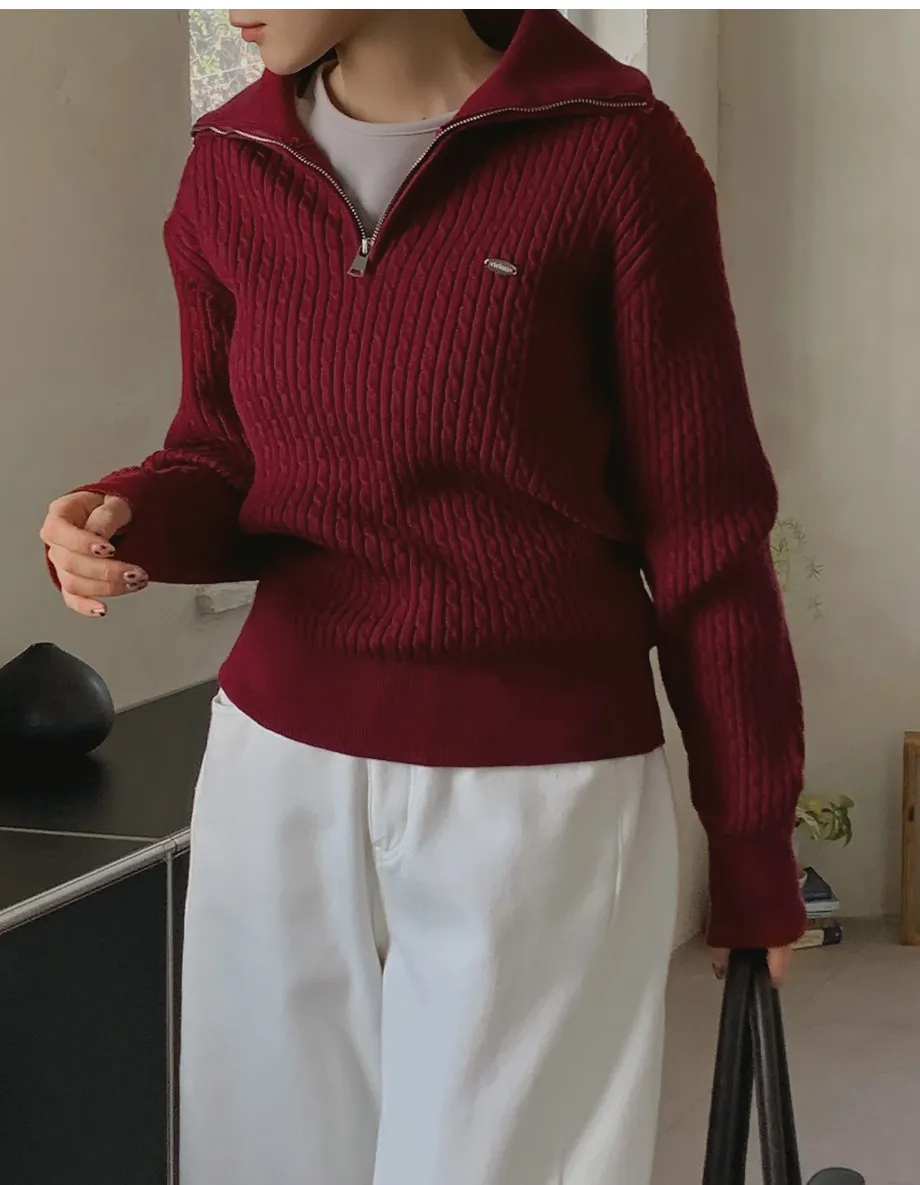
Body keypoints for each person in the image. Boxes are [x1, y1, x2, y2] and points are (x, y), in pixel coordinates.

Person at [40, 9, 805, 1185]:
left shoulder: (613, 152)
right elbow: (222, 457)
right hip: (275, 772)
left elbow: (705, 530)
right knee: (262, 1162)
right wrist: (122, 514)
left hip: (537, 790)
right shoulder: (230, 167)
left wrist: (750, 847)